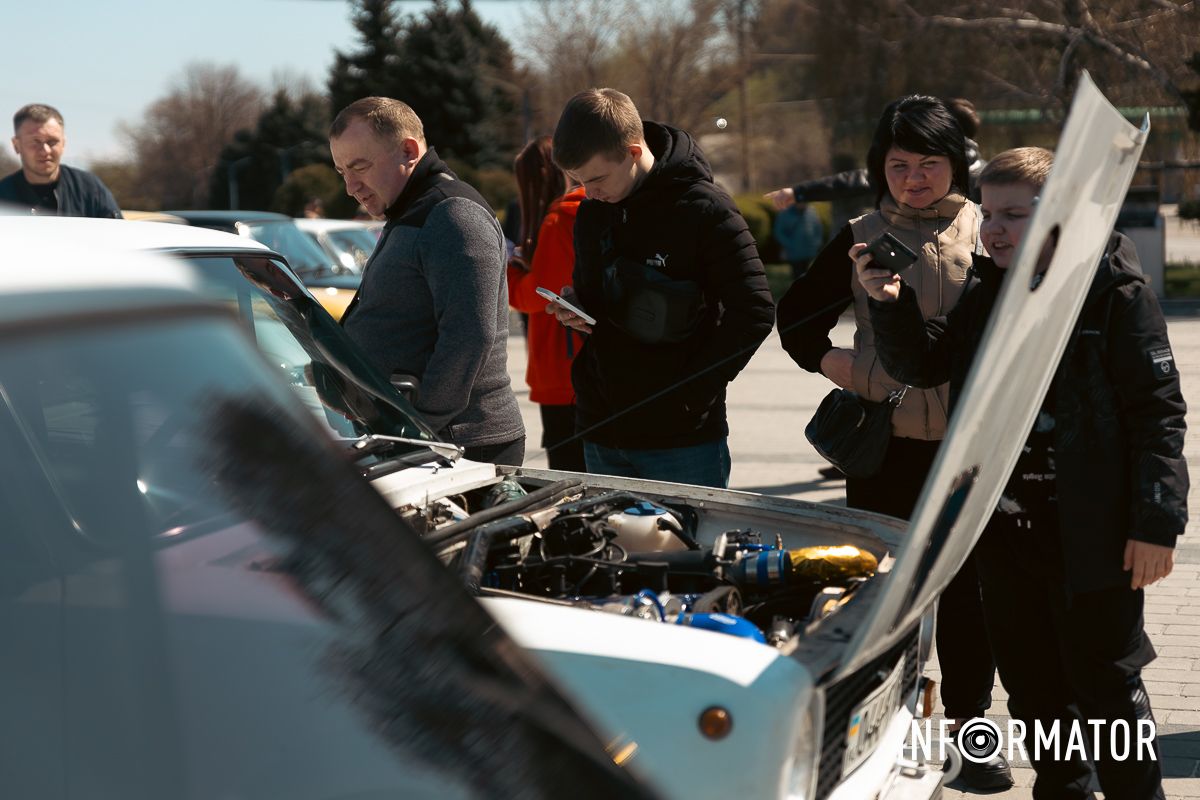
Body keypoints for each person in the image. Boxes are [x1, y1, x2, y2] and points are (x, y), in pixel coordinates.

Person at [860, 146, 1187, 799]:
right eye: (988, 213)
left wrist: (1156, 524)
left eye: (1014, 214)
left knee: (1106, 689)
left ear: (1059, 218)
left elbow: (1159, 415)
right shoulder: (988, 296)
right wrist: (890, 303)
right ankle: (1063, 788)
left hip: (1094, 538)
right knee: (1033, 688)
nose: (994, 229)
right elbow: (926, 369)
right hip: (1006, 538)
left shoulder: (1114, 294)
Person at [776, 95, 1010, 790]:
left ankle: (973, 736)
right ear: (880, 167)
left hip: (970, 454)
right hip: (888, 455)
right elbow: (794, 318)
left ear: (956, 164)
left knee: (970, 601)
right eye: (898, 164)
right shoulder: (860, 231)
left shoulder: (987, 227)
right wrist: (840, 365)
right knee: (884, 600)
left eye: (929, 164)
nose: (913, 178)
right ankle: (883, 736)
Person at [546, 88, 775, 488]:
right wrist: (574, 309)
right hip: (602, 428)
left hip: (681, 441)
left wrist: (692, 394)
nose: (589, 191)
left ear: (633, 153)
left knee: (684, 550)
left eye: (596, 178)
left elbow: (754, 310)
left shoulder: (705, 208)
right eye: (579, 181)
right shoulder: (591, 212)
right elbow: (597, 303)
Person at [328, 96, 525, 465]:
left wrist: (417, 427)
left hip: (462, 445)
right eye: (342, 172)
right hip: (429, 441)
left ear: (408, 150)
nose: (350, 186)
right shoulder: (412, 210)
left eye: (360, 166)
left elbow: (470, 336)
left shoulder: (452, 214)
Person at [764, 98, 987, 226]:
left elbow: (858, 180)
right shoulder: (988, 174)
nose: (914, 178)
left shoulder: (979, 182)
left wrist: (800, 193)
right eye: (900, 166)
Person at [505, 136, 587, 472]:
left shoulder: (557, 222)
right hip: (580, 363)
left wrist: (509, 270)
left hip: (560, 366)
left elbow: (534, 295)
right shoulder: (586, 212)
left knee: (570, 472)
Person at [0, 104, 121, 218]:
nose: (45, 150)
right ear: (16, 145)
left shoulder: (90, 189)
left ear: (63, 143)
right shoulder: (3, 196)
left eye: (52, 141)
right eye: (35, 141)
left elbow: (118, 235)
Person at [773, 200, 825, 279]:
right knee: (797, 276)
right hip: (794, 253)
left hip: (809, 251)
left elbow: (818, 228)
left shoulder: (811, 211)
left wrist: (816, 243)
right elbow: (779, 232)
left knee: (808, 275)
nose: (803, 204)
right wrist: (789, 244)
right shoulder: (785, 213)